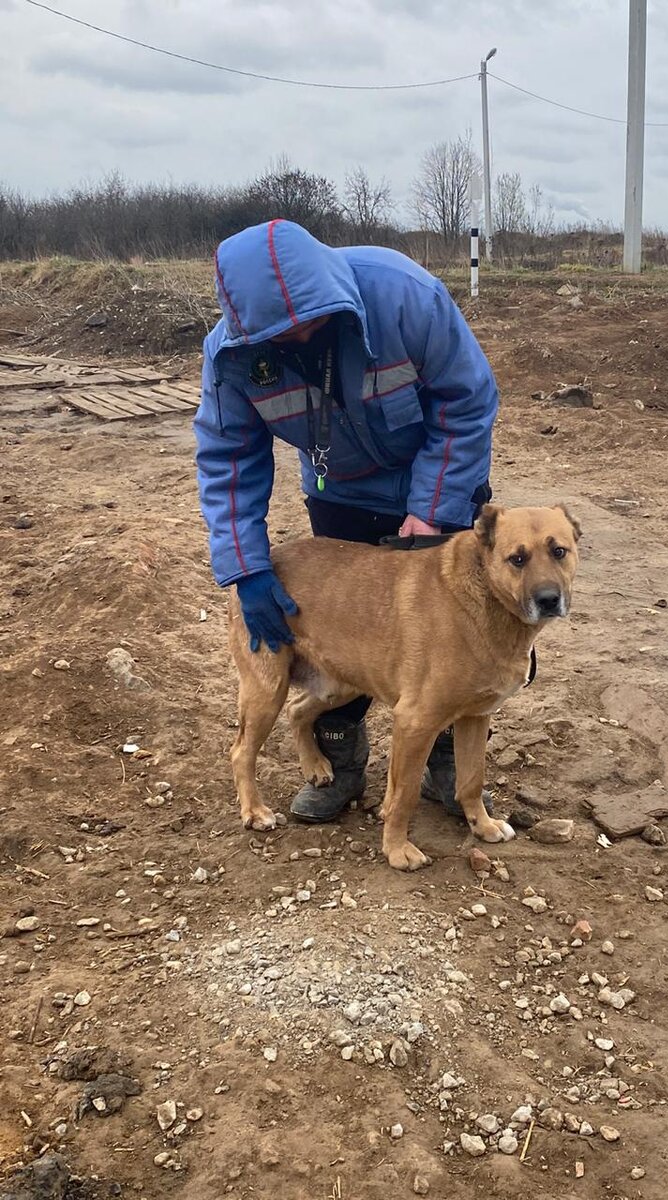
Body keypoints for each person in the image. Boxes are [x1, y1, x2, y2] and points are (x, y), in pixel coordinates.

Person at [194, 218, 499, 823]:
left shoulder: (404, 295)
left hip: (435, 478)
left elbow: (467, 402)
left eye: (310, 322)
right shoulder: (232, 354)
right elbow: (228, 459)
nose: (299, 338)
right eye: (281, 335)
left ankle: (444, 762)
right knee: (347, 626)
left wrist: (433, 510)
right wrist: (245, 567)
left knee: (455, 634)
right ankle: (340, 757)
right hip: (340, 492)